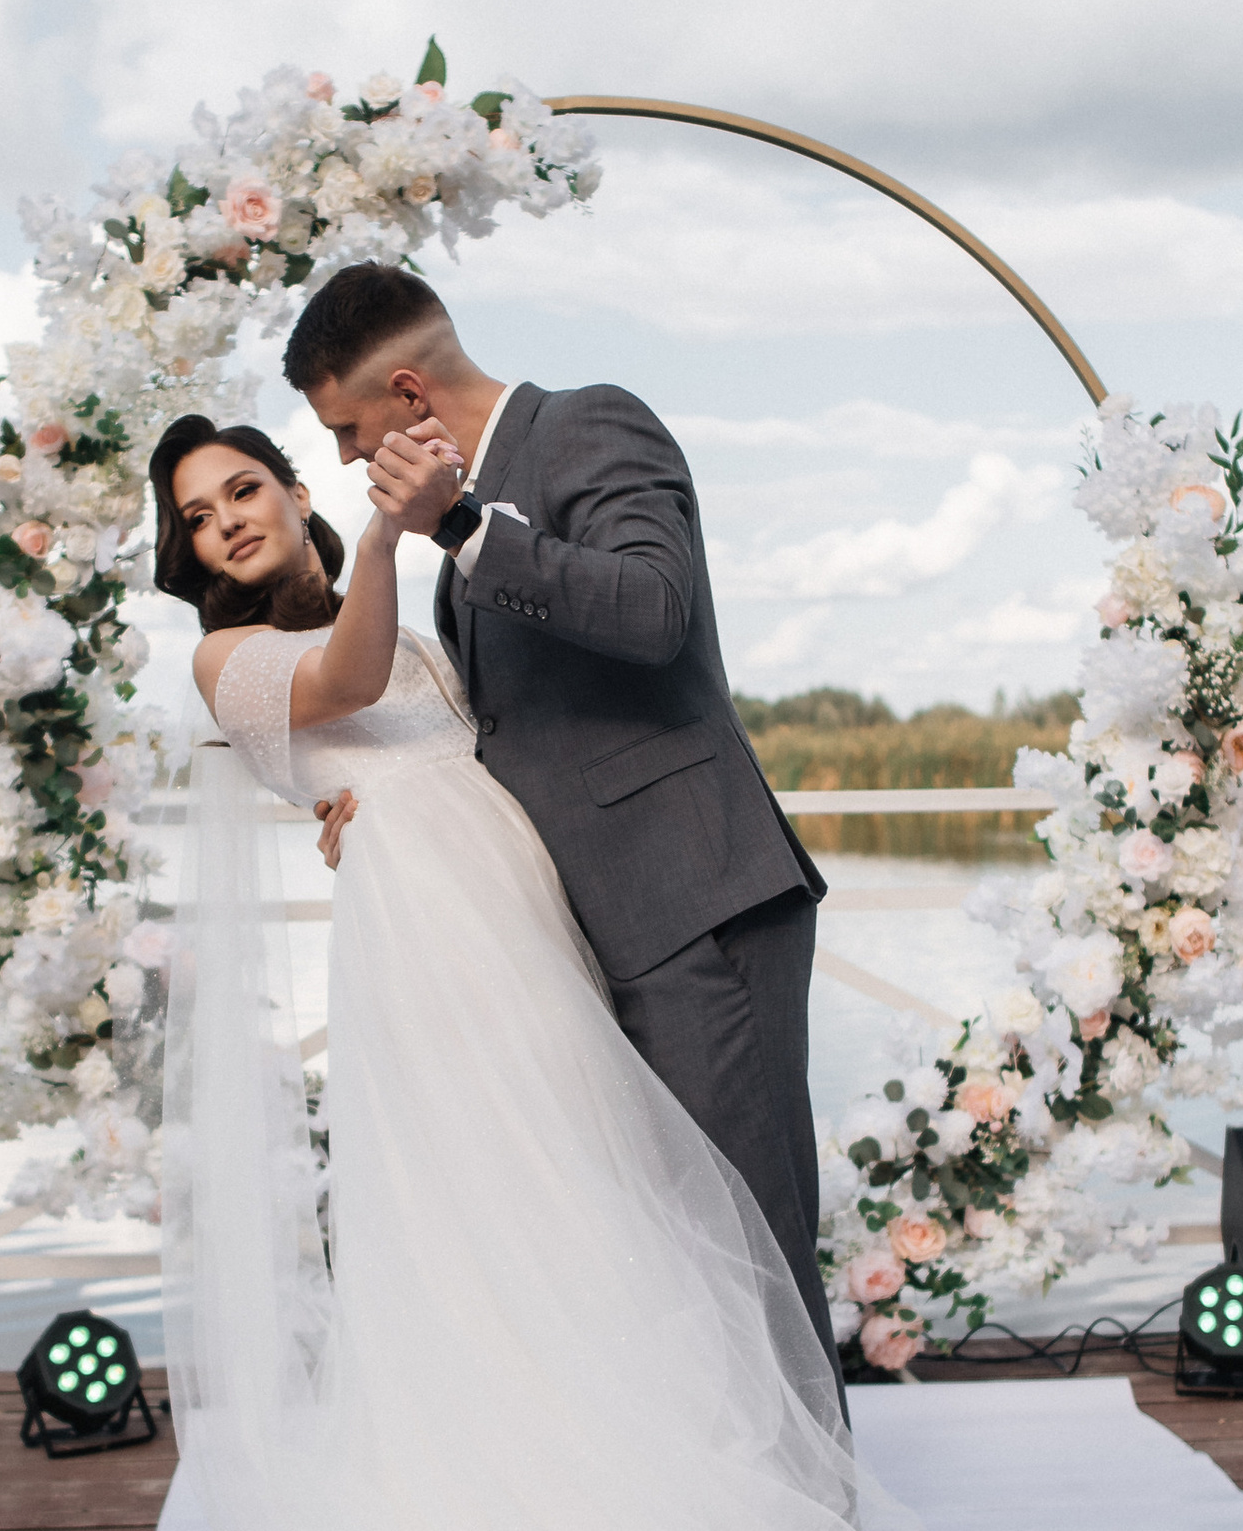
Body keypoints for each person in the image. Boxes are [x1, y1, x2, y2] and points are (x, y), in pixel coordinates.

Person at [146, 409, 1063, 1531]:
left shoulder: (409, 610)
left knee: (594, 1214)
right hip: (431, 947)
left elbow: (476, 738)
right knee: (490, 1218)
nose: (228, 518)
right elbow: (344, 691)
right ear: (188, 552)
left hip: (526, 920)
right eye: (198, 512)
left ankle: (658, 1530)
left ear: (290, 489)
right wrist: (397, 530)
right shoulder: (227, 658)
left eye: (245, 486)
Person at [280, 264, 838, 1367]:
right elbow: (499, 733)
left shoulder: (589, 426)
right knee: (676, 1261)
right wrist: (381, 808)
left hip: (695, 906)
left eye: (347, 430)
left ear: (407, 394)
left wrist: (464, 525)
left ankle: (820, 1491)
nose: (346, 458)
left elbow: (655, 610)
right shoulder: (455, 550)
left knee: (754, 1251)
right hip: (590, 938)